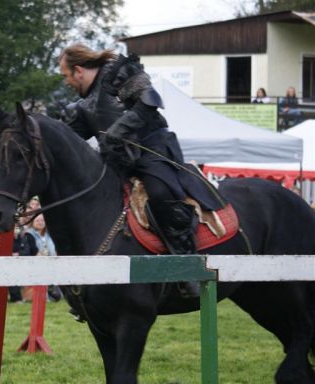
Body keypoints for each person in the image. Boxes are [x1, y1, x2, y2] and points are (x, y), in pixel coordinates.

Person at [58, 44, 222, 297]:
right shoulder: (81, 107)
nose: (67, 82)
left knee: (161, 193)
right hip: (117, 163)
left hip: (153, 149)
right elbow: (67, 142)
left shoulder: (118, 72)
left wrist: (118, 130)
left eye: (66, 76)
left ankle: (187, 265)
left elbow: (149, 102)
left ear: (78, 70)